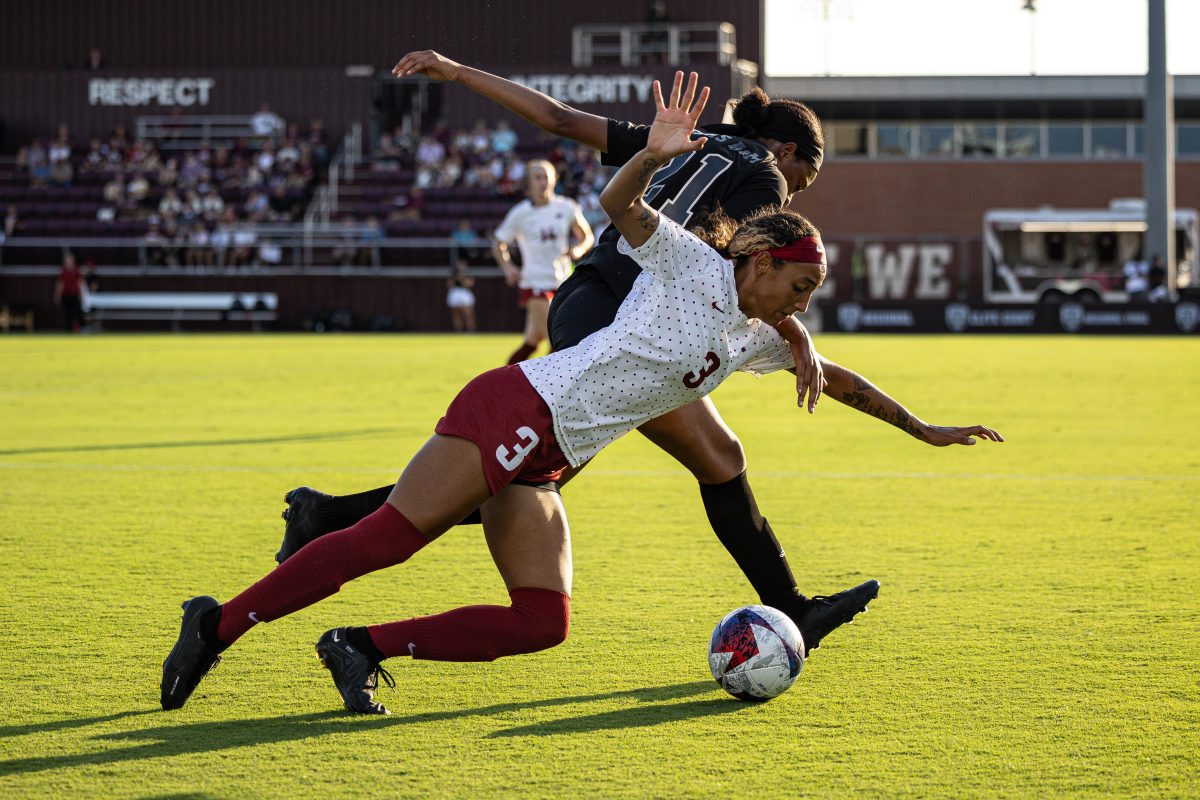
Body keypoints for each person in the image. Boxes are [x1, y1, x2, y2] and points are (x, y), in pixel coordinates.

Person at [161, 77, 1001, 716]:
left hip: (551, 454)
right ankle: (220, 624)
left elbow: (839, 379)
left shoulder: (755, 336)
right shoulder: (689, 265)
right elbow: (616, 202)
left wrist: (919, 425)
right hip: (518, 407)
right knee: (390, 540)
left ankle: (357, 645)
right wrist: (653, 152)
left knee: (543, 623)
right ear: (759, 258)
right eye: (801, 287)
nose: (803, 307)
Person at [492, 160, 595, 364]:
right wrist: (508, 267)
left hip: (562, 282)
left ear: (554, 179)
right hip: (535, 283)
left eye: (546, 176)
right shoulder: (521, 212)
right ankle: (545, 389)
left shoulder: (566, 207)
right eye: (537, 177)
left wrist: (577, 249)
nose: (542, 182)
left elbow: (587, 237)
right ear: (529, 183)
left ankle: (507, 384)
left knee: (532, 342)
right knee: (559, 341)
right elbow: (498, 242)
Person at [53, 252, 86, 333]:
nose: (69, 262)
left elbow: (80, 283)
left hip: (75, 295)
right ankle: (68, 331)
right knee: (68, 314)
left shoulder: (77, 271)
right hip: (66, 296)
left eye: (70, 260)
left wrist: (82, 295)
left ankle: (82, 329)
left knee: (78, 313)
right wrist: (57, 295)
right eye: (67, 261)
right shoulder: (63, 272)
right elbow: (60, 284)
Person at [446, 258, 477, 333]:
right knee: (456, 314)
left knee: (468, 314)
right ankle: (459, 332)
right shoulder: (454, 274)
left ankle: (471, 331)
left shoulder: (468, 273)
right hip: (455, 292)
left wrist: (463, 280)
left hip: (464, 292)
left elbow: (471, 284)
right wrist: (456, 278)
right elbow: (449, 284)